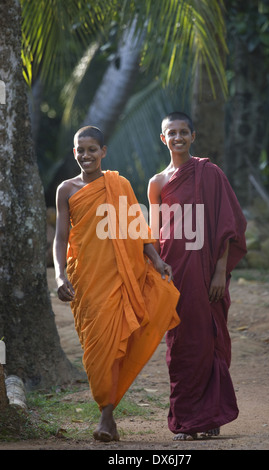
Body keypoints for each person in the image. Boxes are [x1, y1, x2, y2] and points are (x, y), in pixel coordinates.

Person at [53, 125, 180, 442]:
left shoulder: (118, 184)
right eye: (80, 151)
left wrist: (157, 260)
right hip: (87, 279)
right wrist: (58, 275)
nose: (86, 156)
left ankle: (106, 416)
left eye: (92, 150)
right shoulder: (66, 190)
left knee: (116, 346)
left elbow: (137, 229)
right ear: (74, 153)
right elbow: (59, 239)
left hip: (121, 276)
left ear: (103, 152)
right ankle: (106, 411)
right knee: (97, 349)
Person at [147, 111, 247, 440]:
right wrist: (156, 268)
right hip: (173, 272)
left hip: (206, 272)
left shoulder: (210, 173)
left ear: (193, 136)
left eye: (183, 132)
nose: (177, 137)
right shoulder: (158, 182)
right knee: (180, 345)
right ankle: (187, 419)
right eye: (171, 133)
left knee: (208, 339)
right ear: (163, 138)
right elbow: (156, 231)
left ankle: (211, 414)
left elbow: (228, 225)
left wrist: (220, 271)